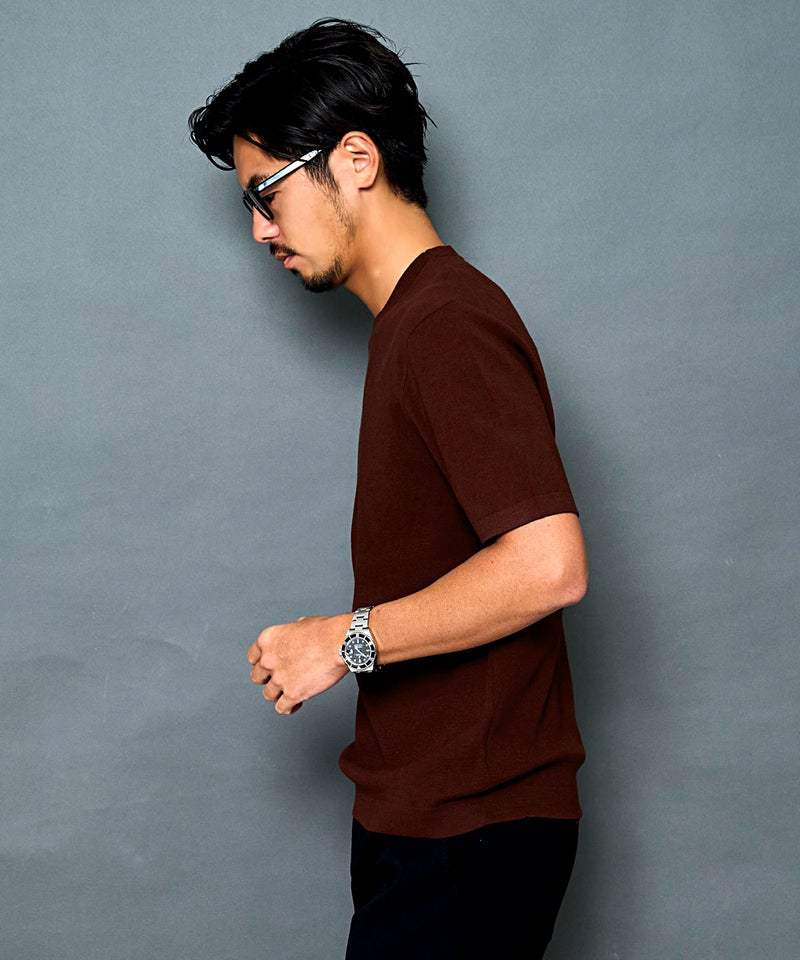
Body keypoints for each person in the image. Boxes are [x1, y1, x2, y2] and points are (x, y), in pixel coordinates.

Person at [189, 18, 588, 959]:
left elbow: (550, 563)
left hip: (472, 831)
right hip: (435, 823)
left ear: (357, 160)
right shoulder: (416, 324)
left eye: (267, 194)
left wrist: (342, 640)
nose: (259, 229)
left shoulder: (447, 324)